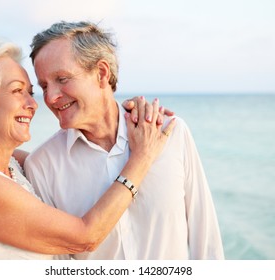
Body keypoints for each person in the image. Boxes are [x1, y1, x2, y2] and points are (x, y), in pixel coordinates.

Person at [0, 38, 175, 260]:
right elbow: (84, 237)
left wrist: (124, 116)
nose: (33, 103)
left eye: (32, 92)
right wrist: (142, 156)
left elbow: (80, 163)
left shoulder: (12, 164)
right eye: (17, 91)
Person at [25, 21, 224, 260]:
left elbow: (206, 240)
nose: (51, 97)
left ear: (101, 73)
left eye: (62, 79)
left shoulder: (170, 133)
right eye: (44, 85)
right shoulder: (42, 166)